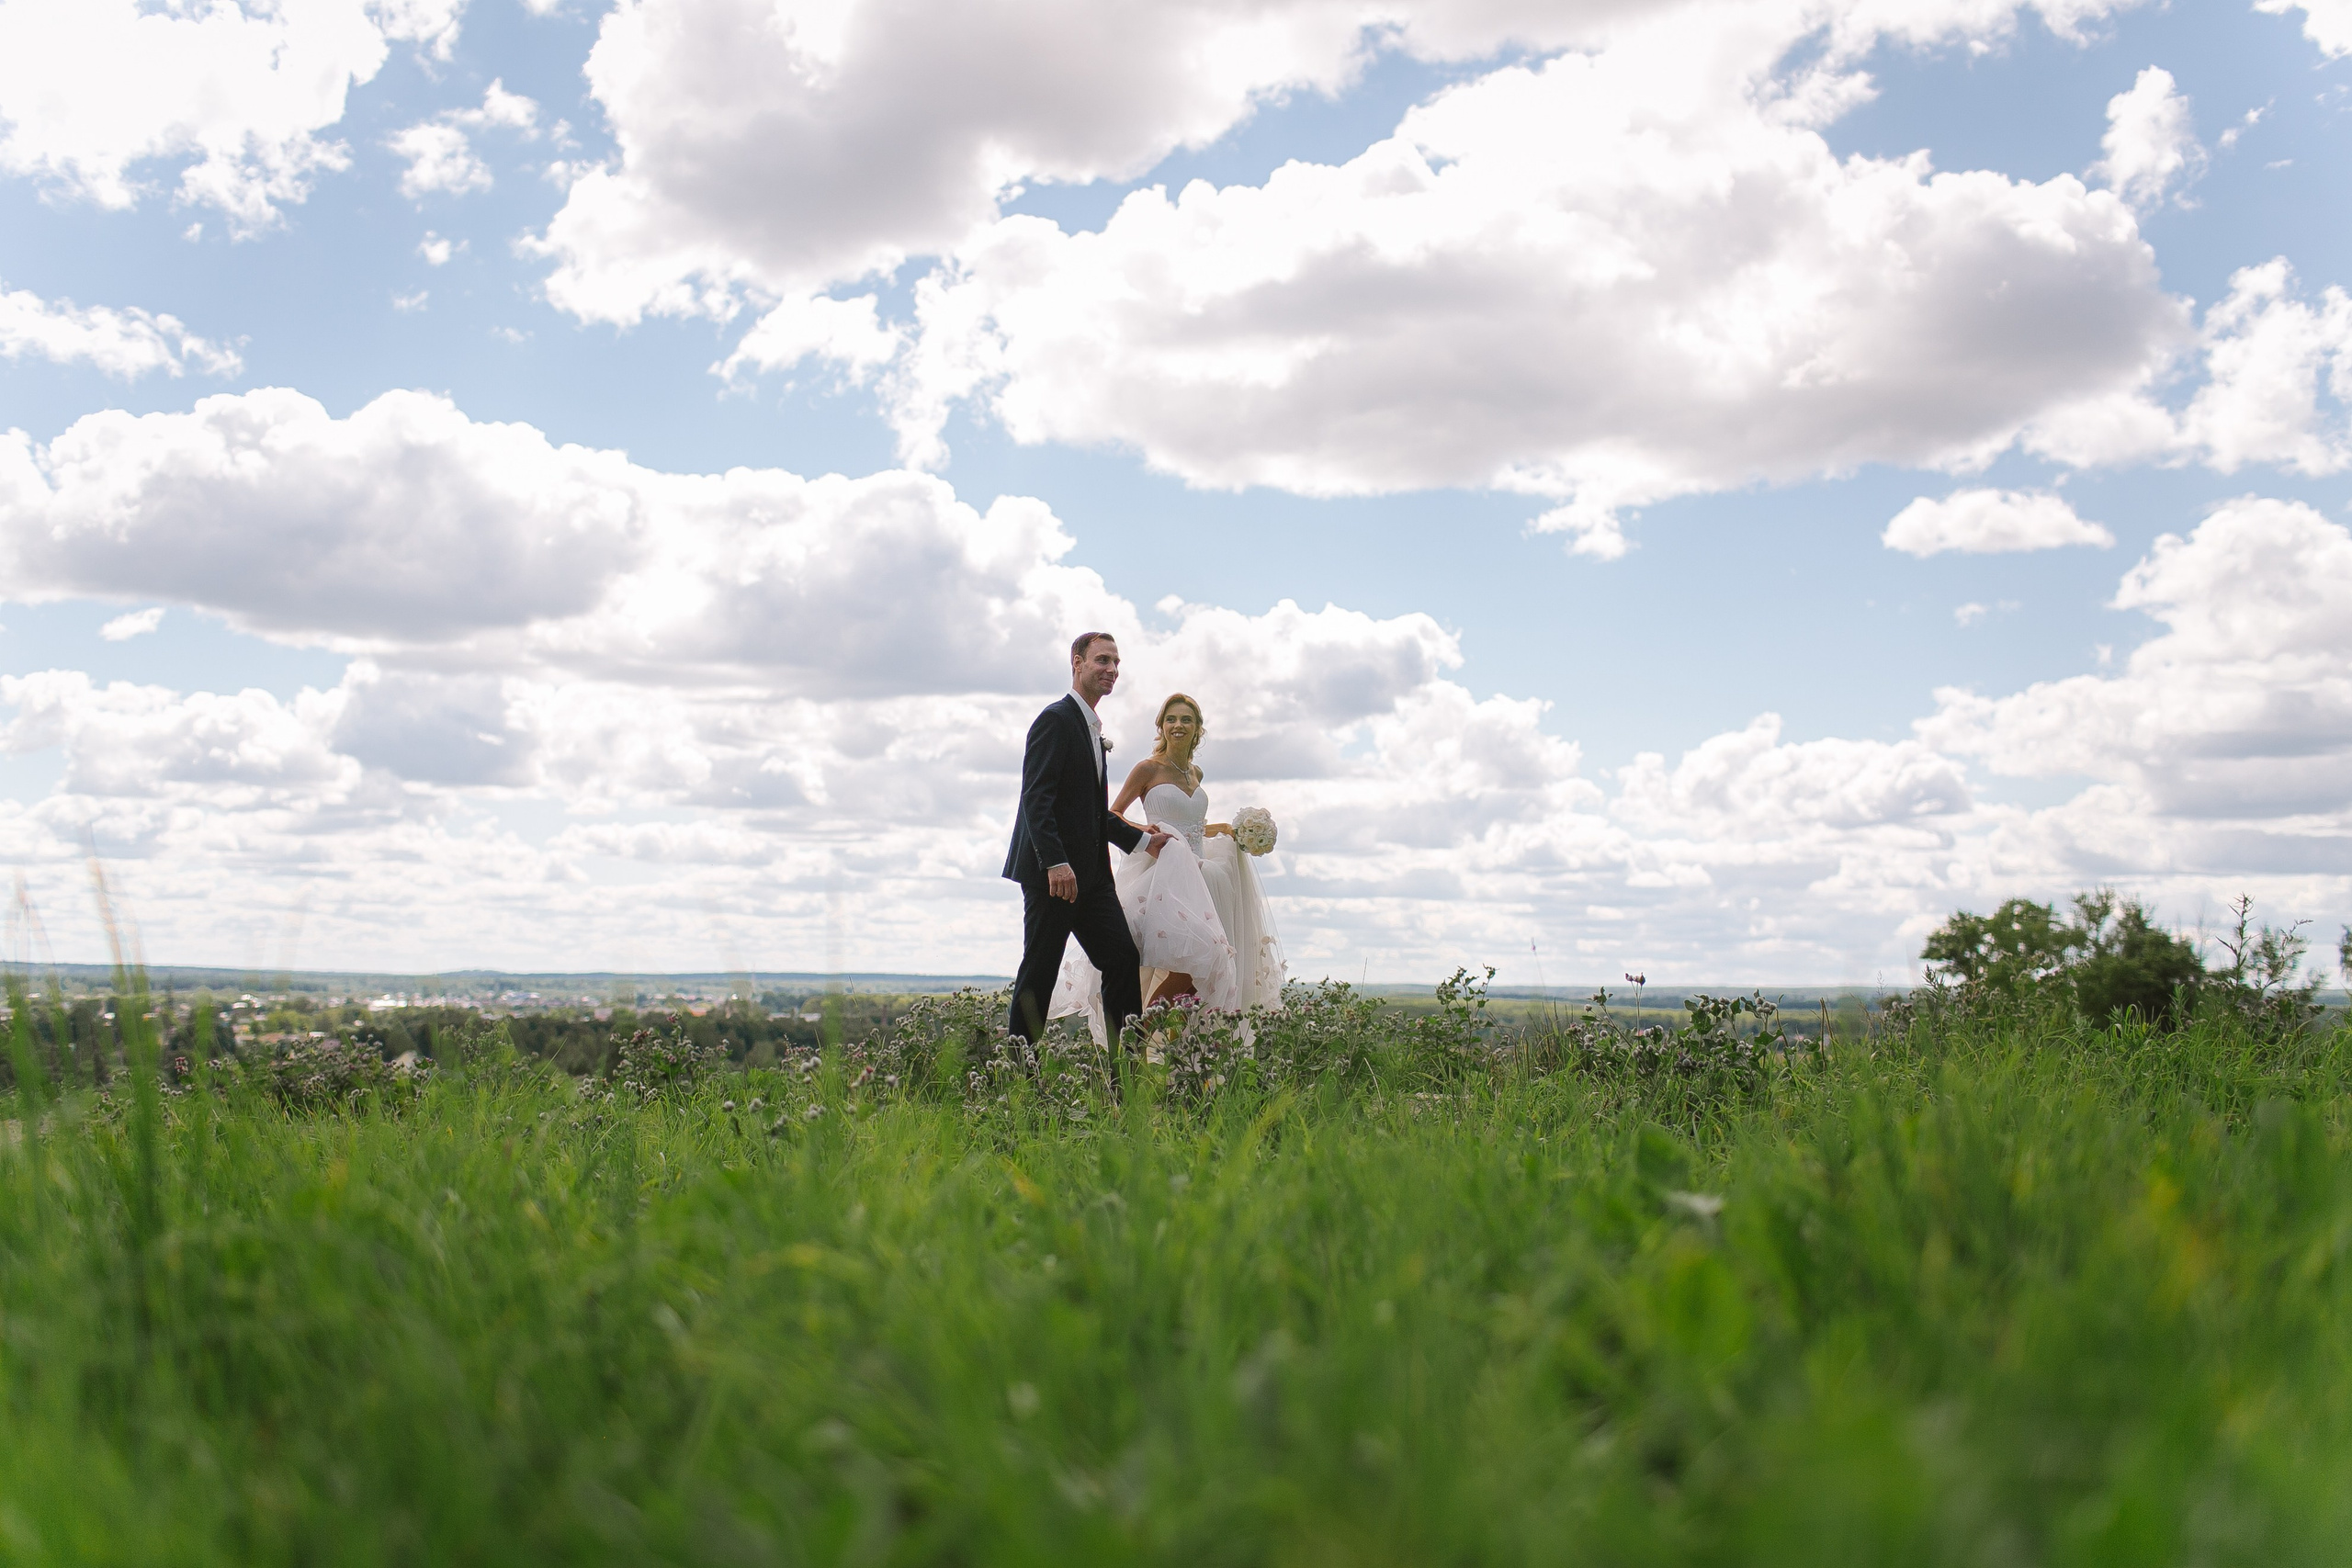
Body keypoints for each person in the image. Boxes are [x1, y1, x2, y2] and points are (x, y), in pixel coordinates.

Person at [1051, 692, 1287, 1041]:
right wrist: (1145, 832)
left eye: (1186, 720)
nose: (1178, 725)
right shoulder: (1148, 769)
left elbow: (1191, 825)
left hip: (1204, 876)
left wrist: (1222, 828)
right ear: (1161, 726)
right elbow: (1112, 814)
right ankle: (1137, 1037)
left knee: (1202, 972)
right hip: (1165, 874)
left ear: (1198, 729)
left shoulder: (1195, 773)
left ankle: (1168, 1051)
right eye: (1171, 719)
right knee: (1190, 965)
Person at [1003, 632, 1171, 1044]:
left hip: (1093, 880)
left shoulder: (1092, 728)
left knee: (1122, 959)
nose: (1111, 669)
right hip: (1053, 878)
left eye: (1116, 662)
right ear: (1077, 663)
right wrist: (1055, 862)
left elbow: (1092, 812)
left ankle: (1125, 1073)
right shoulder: (1056, 720)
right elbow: (1036, 798)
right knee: (1040, 971)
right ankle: (1019, 1073)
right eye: (1102, 660)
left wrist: (1141, 840)